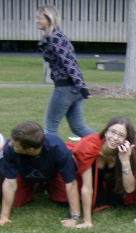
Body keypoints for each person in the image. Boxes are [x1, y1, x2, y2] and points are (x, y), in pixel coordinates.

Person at [0, 121, 81, 227]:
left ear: (30, 149)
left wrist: (74, 217)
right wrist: (4, 217)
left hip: (54, 174)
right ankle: (35, 186)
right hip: (24, 174)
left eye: (15, 145)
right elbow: (9, 183)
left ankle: (46, 185)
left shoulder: (57, 147)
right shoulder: (9, 147)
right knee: (16, 202)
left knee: (63, 201)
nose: (10, 144)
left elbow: (71, 183)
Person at [67, 116, 136, 228]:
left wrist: (125, 161)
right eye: (113, 132)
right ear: (106, 132)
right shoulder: (90, 146)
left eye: (121, 135)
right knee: (97, 203)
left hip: (113, 179)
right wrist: (87, 221)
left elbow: (130, 189)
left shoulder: (128, 151)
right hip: (91, 178)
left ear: (126, 140)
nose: (115, 138)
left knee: (116, 203)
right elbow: (87, 187)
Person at [36, 4, 95, 138]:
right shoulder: (55, 36)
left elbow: (69, 63)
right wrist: (80, 87)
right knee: (78, 127)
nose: (37, 21)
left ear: (49, 19)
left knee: (50, 128)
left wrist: (82, 87)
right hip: (73, 88)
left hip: (65, 88)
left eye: (40, 18)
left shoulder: (55, 37)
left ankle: (52, 152)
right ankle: (105, 144)